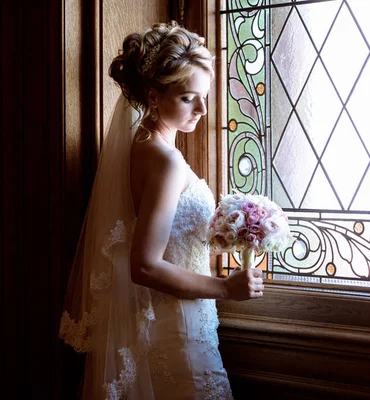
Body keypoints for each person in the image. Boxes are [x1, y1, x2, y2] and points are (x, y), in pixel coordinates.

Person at [59, 21, 264, 400]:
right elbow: (145, 265)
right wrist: (226, 288)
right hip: (179, 327)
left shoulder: (138, 147)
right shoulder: (166, 160)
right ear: (153, 96)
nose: (203, 109)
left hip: (159, 323)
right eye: (189, 98)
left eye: (204, 95)